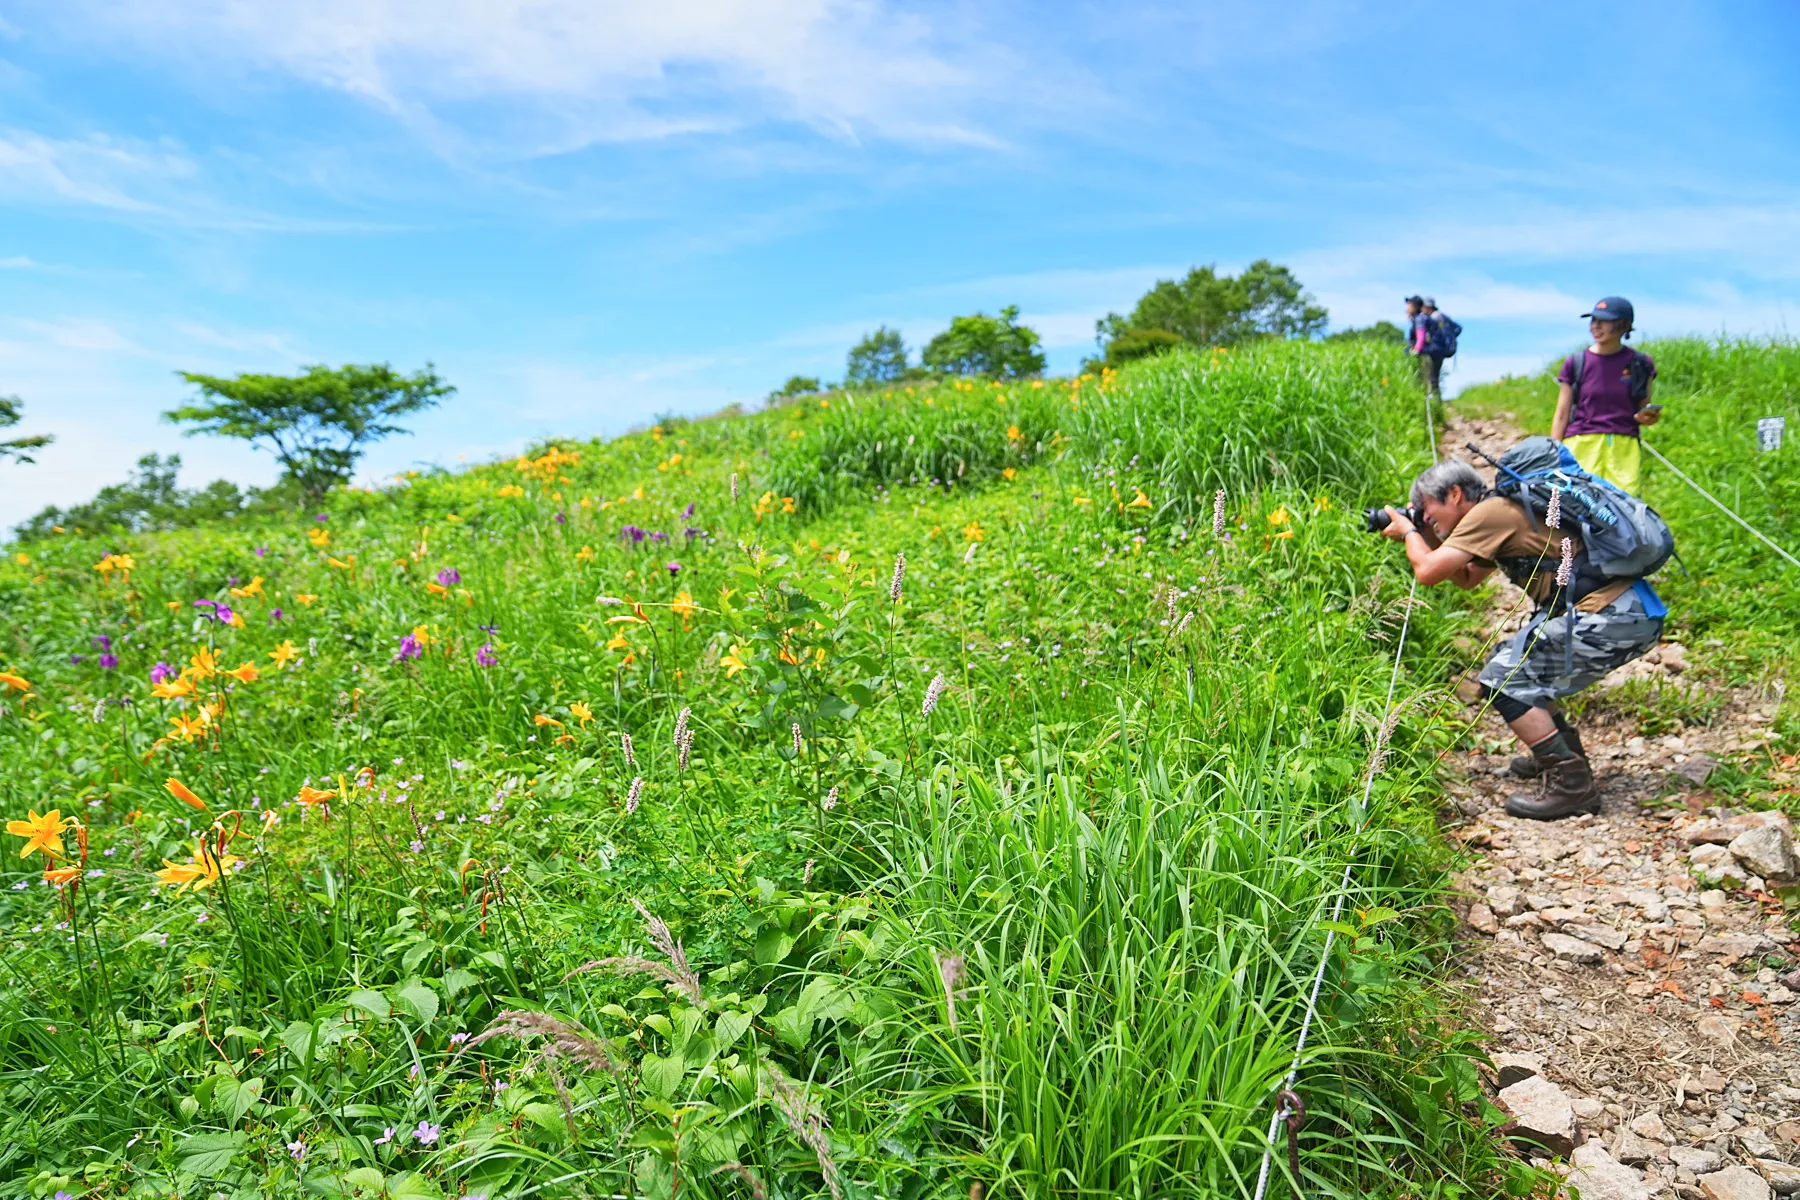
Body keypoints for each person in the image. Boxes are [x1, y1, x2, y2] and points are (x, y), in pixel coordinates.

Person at [1379, 459, 1665, 819]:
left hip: (1613, 616)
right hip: (1621, 612)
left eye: (1426, 507)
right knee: (1508, 658)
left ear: (1454, 494)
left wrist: (1409, 532)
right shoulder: (1496, 511)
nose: (1424, 515)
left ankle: (1571, 785)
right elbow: (1467, 577)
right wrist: (1427, 531)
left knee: (1504, 679)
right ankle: (1562, 756)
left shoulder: (1490, 514)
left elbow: (1428, 572)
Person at [1552, 297, 1658, 493]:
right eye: (1593, 321)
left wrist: (1647, 416)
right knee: (1577, 504)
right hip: (1580, 443)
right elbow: (1562, 414)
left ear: (1623, 325)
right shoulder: (1576, 363)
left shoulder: (1641, 363)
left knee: (1623, 506)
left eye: (1604, 321)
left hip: (1623, 447)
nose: (1596, 326)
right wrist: (1554, 453)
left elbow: (1644, 409)